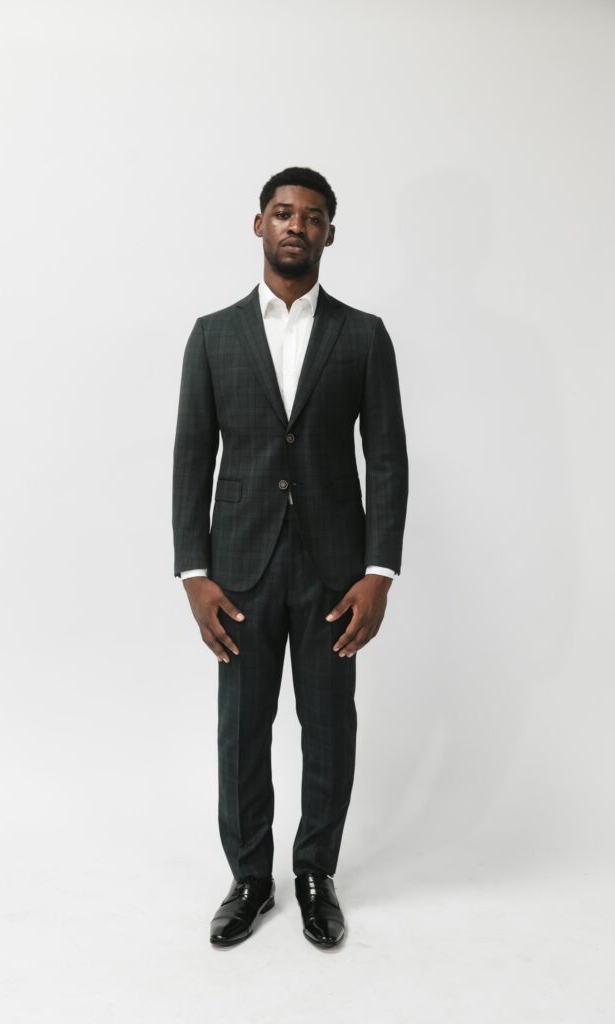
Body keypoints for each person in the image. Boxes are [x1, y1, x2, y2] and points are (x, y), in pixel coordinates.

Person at [172, 166, 408, 948]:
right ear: (258, 225)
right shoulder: (213, 335)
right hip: (237, 570)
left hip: (334, 573)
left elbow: (385, 457)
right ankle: (248, 878)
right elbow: (190, 458)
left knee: (327, 725)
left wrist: (378, 573)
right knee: (241, 727)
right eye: (281, 213)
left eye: (310, 216)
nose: (295, 225)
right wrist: (193, 572)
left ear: (329, 233)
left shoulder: (362, 335)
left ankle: (314, 874)